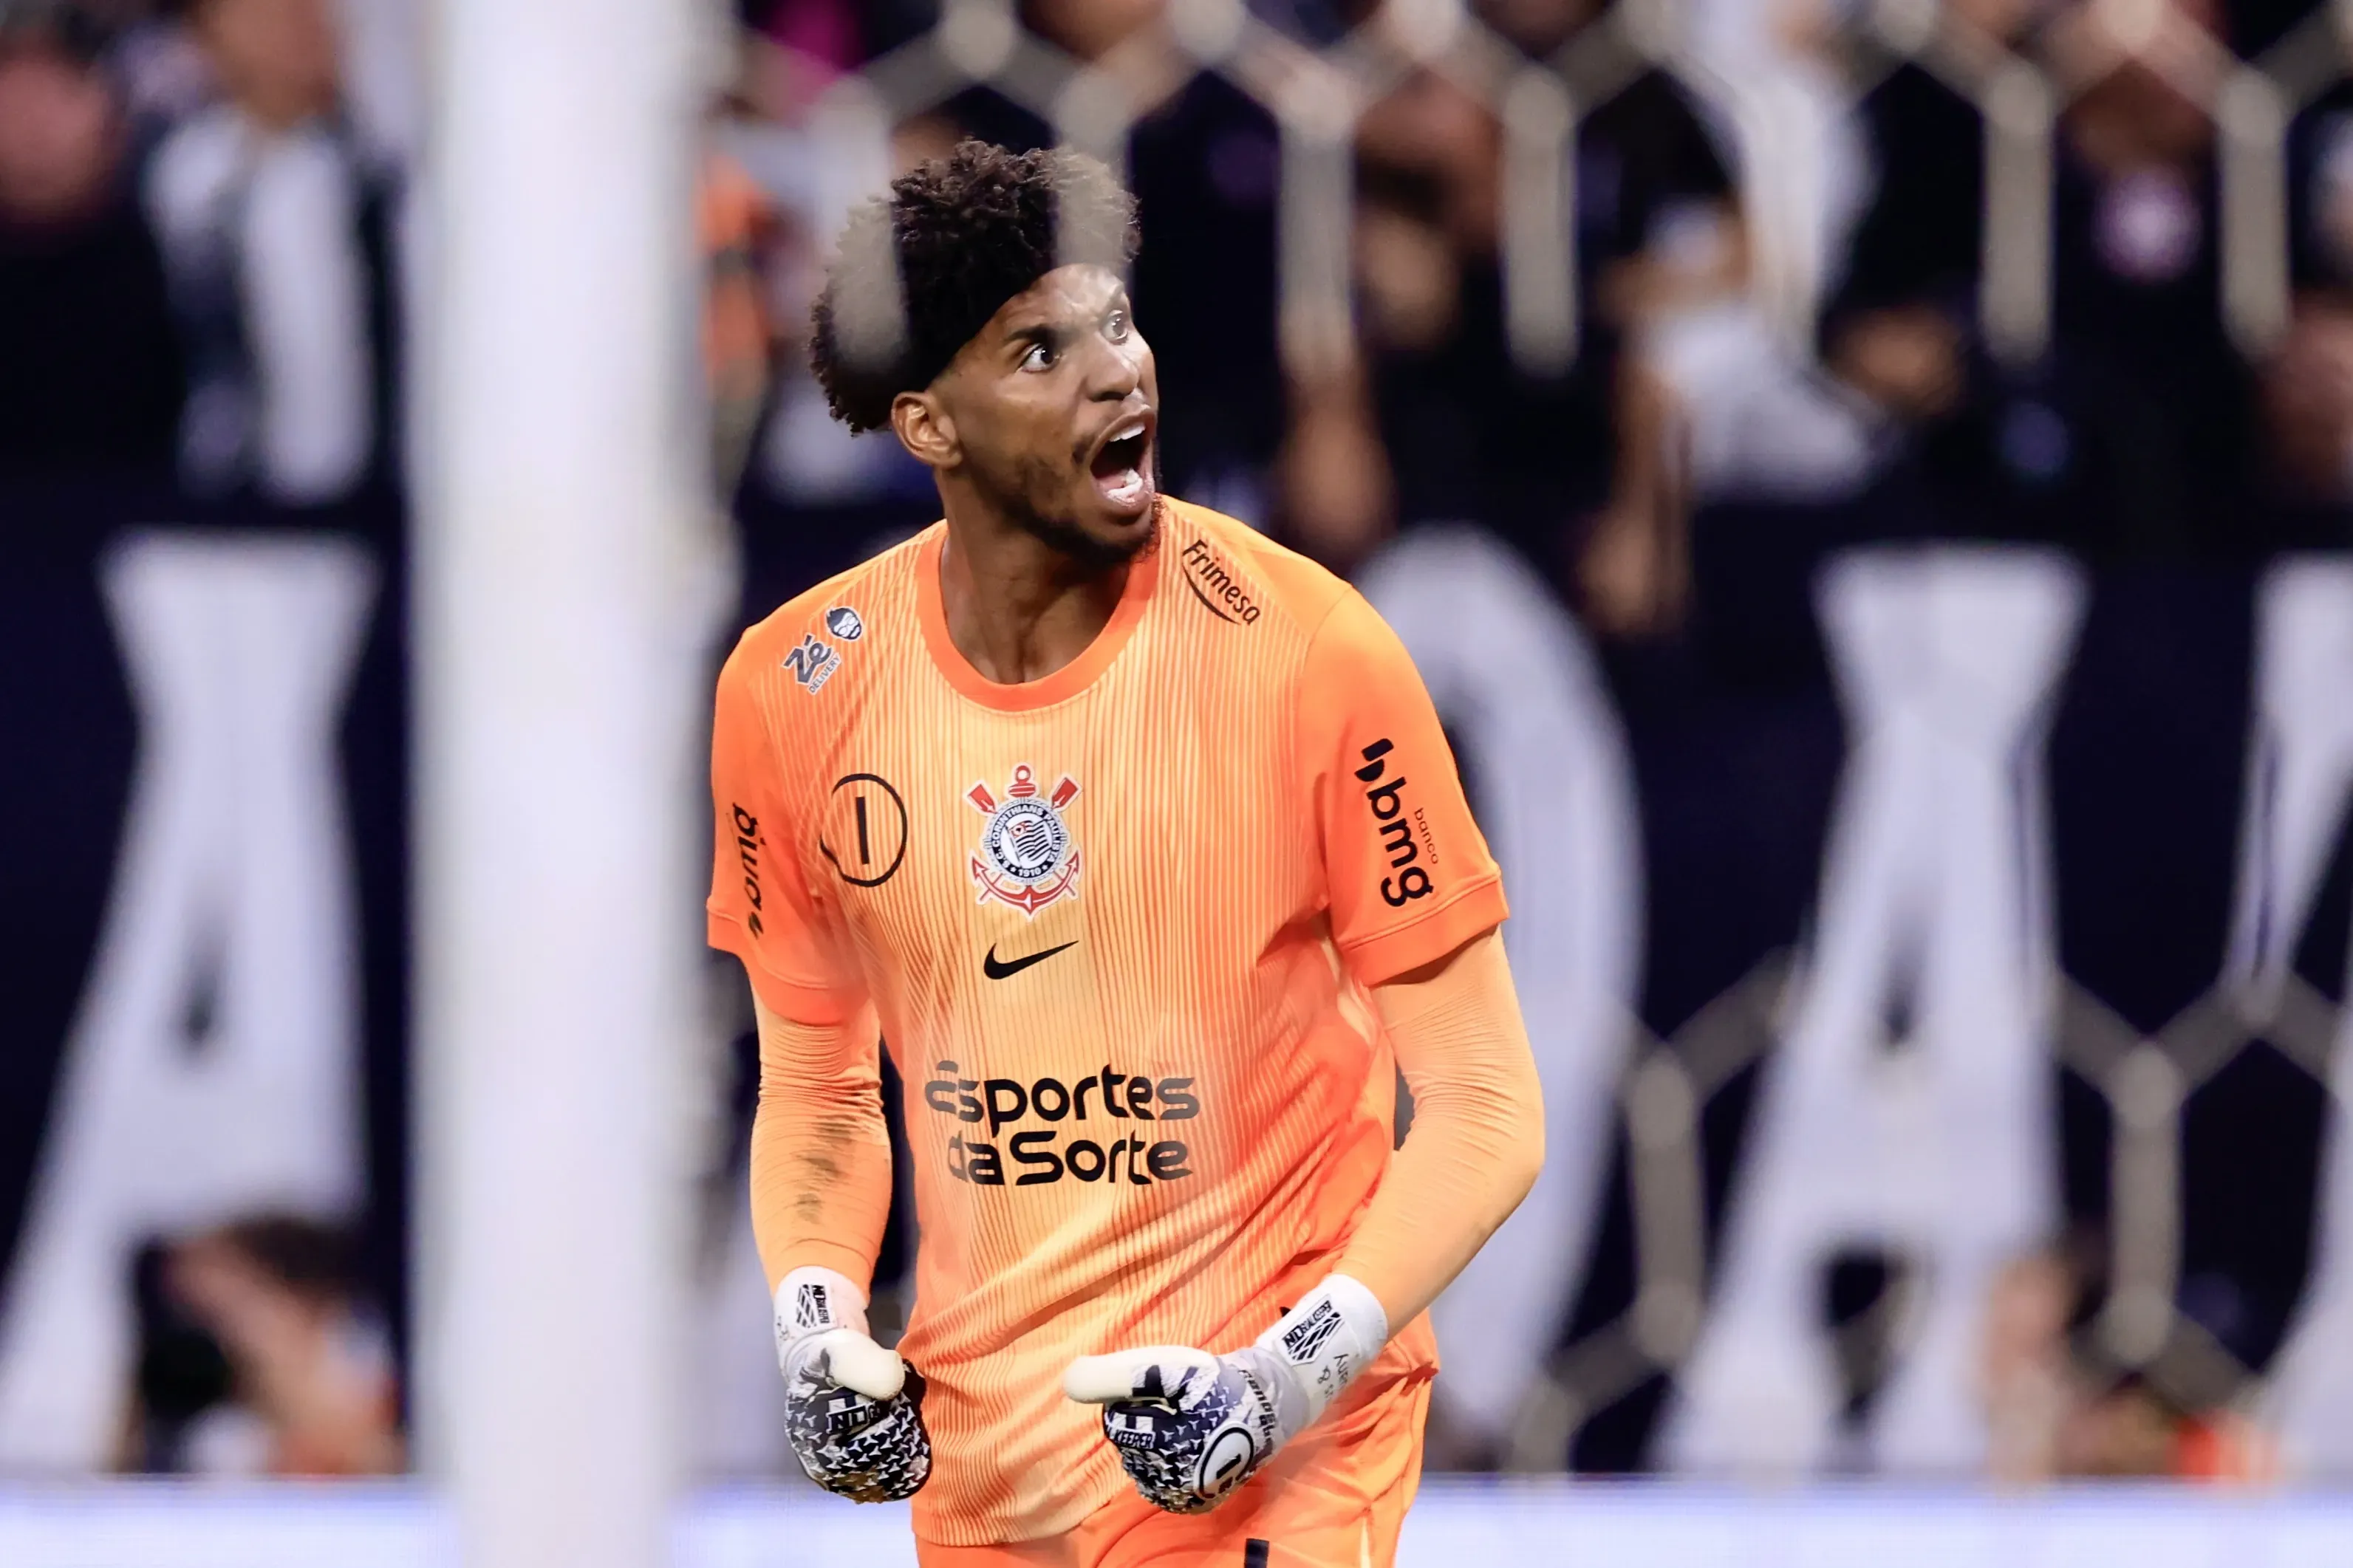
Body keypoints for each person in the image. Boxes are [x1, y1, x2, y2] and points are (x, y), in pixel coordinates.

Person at [706, 140, 1545, 1566]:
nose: (1117, 374)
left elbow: (1482, 1106)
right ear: (931, 426)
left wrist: (1280, 1376)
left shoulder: (1308, 651)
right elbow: (823, 1089)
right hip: (991, 1462)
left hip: (1279, 1445)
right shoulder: (793, 688)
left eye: (1116, 322)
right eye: (1043, 350)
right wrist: (816, 1329)